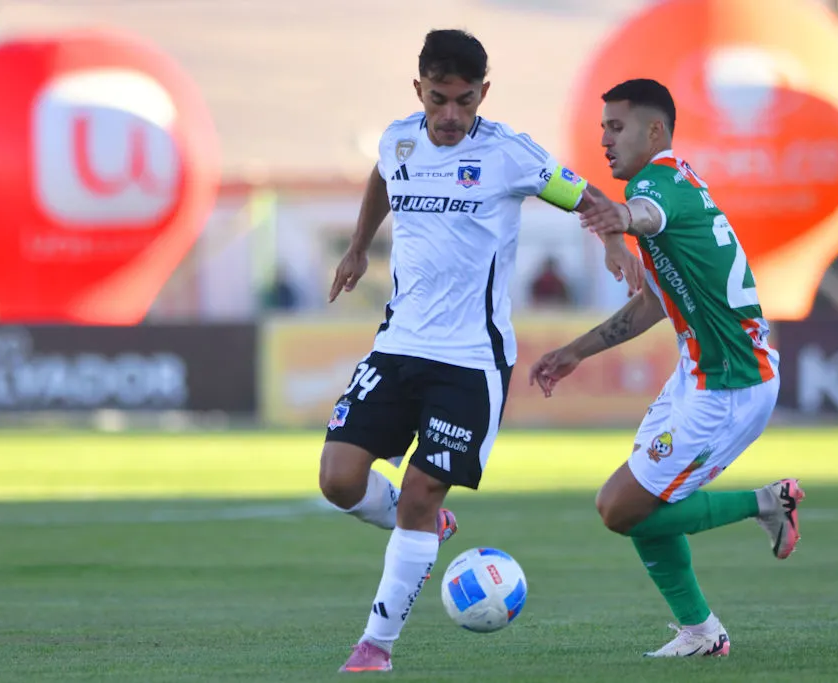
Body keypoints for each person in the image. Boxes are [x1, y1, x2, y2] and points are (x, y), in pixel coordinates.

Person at [322, 29, 644, 674]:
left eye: (464, 101)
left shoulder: (508, 154)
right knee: (338, 480)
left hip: (471, 360)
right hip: (397, 346)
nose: (450, 115)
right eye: (438, 99)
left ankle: (376, 645)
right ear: (419, 89)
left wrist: (613, 239)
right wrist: (358, 247)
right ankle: (425, 526)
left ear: (483, 94)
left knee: (420, 492)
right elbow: (383, 176)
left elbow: (582, 192)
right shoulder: (398, 139)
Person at [530, 78, 803, 659]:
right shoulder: (681, 184)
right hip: (698, 376)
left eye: (616, 127)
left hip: (731, 387)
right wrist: (576, 351)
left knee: (620, 506)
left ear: (655, 131)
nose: (605, 140)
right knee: (636, 505)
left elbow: (645, 213)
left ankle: (766, 503)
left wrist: (619, 218)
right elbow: (655, 301)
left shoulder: (658, 183)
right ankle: (700, 632)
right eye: (603, 128)